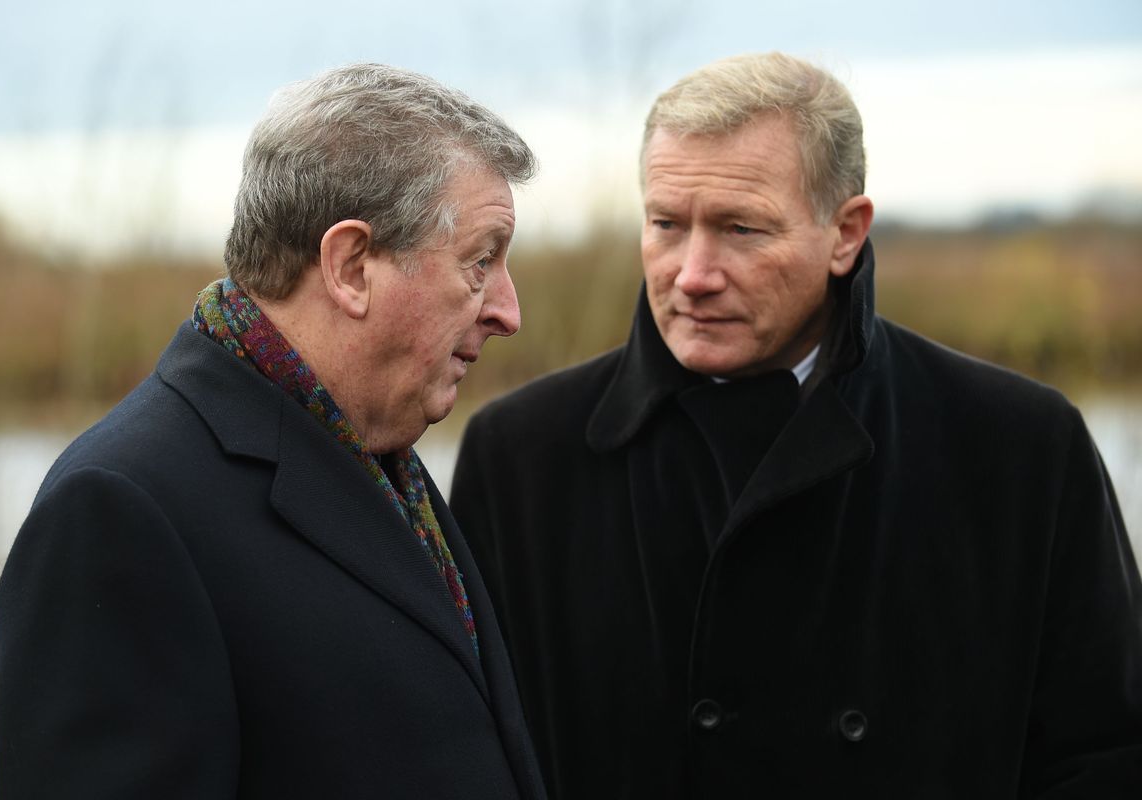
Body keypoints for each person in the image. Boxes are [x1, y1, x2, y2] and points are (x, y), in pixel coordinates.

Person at [450, 52, 1142, 797]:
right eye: (666, 223)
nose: (692, 272)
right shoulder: (521, 458)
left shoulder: (1020, 449)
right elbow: (468, 754)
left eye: (741, 229)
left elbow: (1105, 754)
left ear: (845, 234)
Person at [0, 64, 546, 799]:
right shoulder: (120, 509)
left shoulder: (377, 454)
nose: (508, 310)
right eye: (480, 262)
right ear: (350, 266)